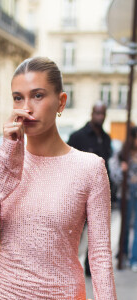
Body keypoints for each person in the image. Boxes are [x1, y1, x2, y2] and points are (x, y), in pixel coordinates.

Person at [0, 57, 117, 299]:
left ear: (61, 101)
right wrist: (6, 157)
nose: (26, 108)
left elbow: (99, 256)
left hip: (63, 294)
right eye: (18, 97)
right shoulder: (3, 161)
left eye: (37, 95)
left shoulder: (90, 168)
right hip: (2, 293)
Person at [67, 101, 113, 276]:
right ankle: (69, 265)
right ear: (91, 113)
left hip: (99, 194)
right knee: (74, 232)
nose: (99, 117)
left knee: (97, 234)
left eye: (102, 114)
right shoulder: (77, 136)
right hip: (78, 192)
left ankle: (90, 269)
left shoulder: (106, 138)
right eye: (97, 113)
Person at [118, 126, 137, 272]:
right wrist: (123, 172)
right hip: (127, 195)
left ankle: (134, 258)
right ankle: (122, 253)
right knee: (124, 225)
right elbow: (114, 172)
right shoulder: (123, 153)